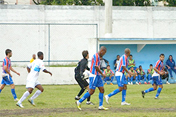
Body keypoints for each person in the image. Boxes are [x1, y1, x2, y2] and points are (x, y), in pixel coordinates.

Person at [76, 46, 108, 110]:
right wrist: (102, 74)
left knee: (102, 90)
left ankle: (100, 106)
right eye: (104, 53)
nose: (104, 54)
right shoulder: (95, 56)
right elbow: (96, 67)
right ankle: (79, 101)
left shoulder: (99, 56)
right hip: (94, 76)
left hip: (98, 75)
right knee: (91, 91)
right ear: (102, 51)